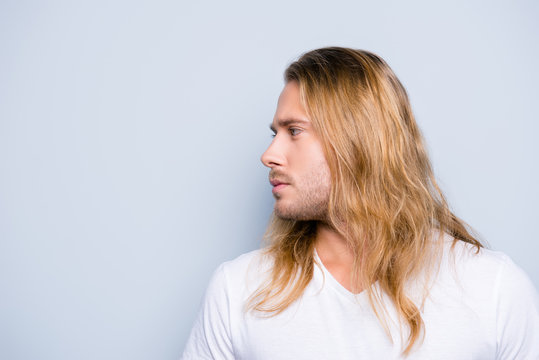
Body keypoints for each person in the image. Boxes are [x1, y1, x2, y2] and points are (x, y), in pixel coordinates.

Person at [181, 47, 539, 359]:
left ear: (357, 140)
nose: (269, 155)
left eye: (294, 131)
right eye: (275, 134)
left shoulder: (493, 289)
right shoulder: (238, 289)